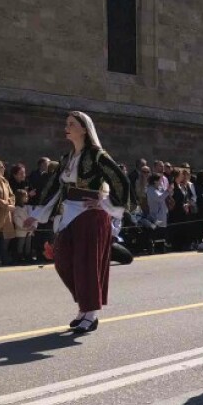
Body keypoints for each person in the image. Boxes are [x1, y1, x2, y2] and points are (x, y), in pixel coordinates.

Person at [24, 111, 130, 334]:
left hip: (90, 214)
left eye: (72, 124)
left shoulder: (97, 155)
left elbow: (119, 180)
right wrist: (38, 214)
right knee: (62, 260)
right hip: (69, 212)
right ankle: (84, 304)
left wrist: (105, 202)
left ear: (84, 129)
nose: (67, 127)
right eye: (66, 124)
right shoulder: (66, 158)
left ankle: (89, 314)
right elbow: (54, 188)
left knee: (87, 263)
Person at [12, 189, 36, 263]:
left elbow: (34, 216)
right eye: (25, 197)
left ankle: (28, 255)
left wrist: (34, 226)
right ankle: (19, 256)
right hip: (21, 230)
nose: (27, 198)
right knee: (21, 243)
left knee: (28, 243)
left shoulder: (28, 207)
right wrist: (24, 226)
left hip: (29, 230)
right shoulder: (16, 209)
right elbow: (16, 219)